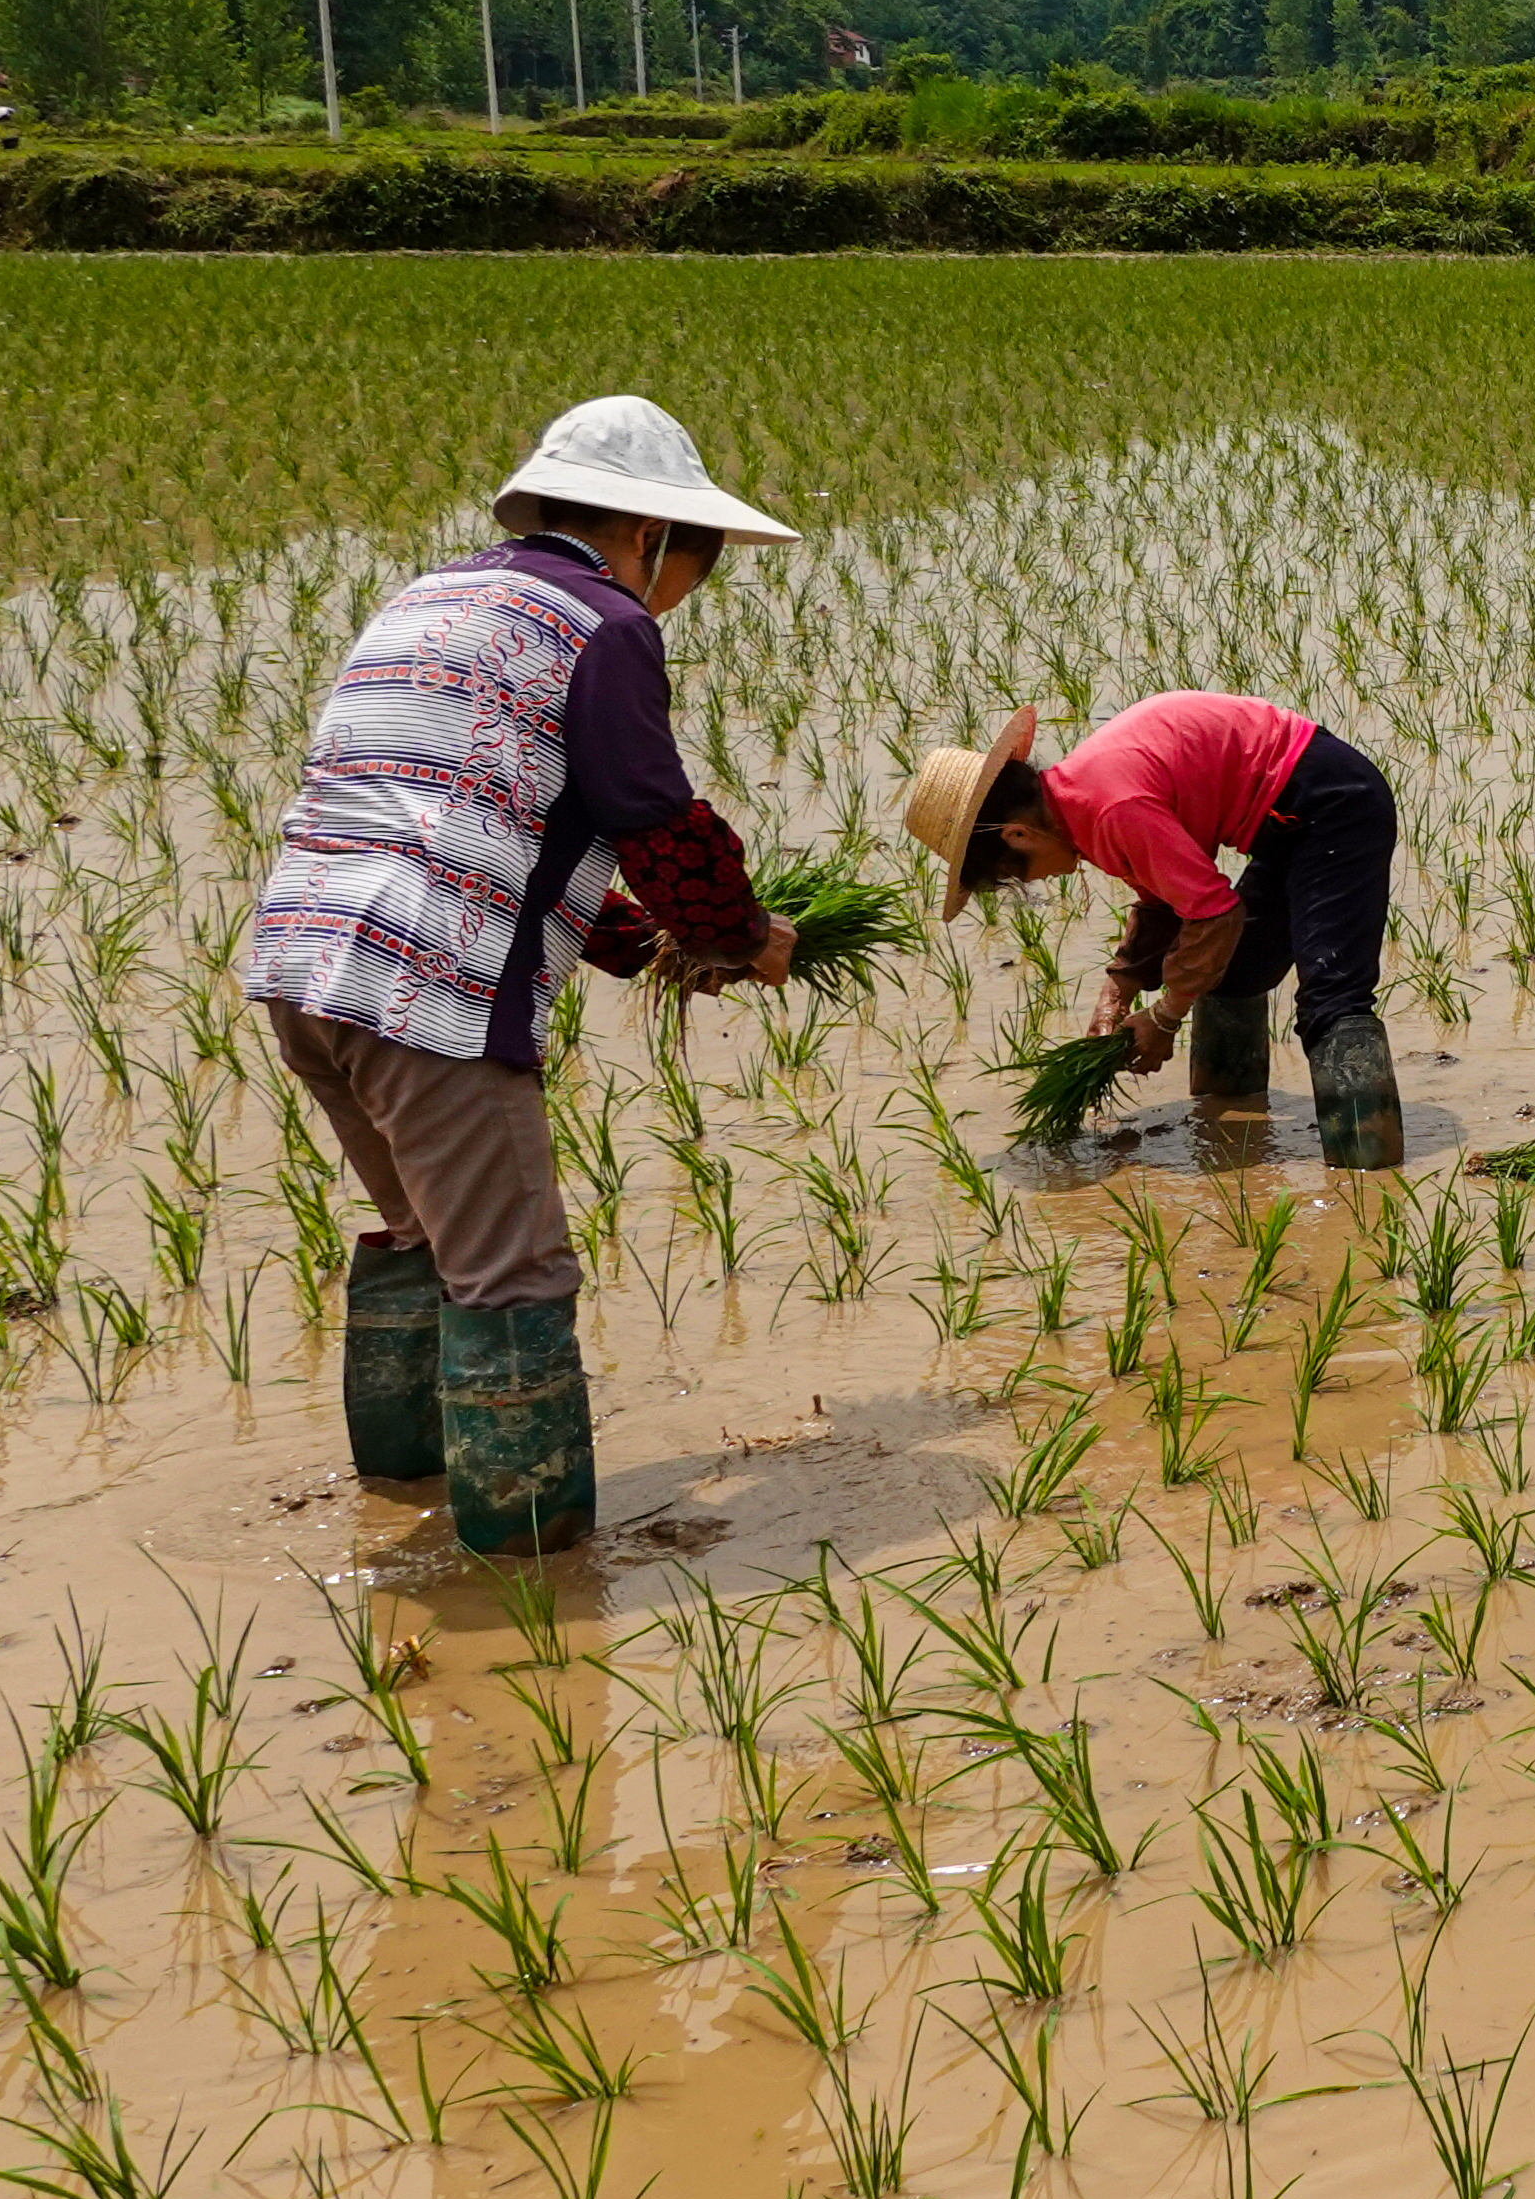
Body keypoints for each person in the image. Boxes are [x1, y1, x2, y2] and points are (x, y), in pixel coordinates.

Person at [239, 397, 800, 1556]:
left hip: (304, 964)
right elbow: (657, 821)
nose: (681, 592)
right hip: (425, 992)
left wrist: (653, 946)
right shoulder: (606, 622)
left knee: (423, 1236)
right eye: (694, 563)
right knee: (513, 1278)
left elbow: (481, 822)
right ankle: (527, 1569)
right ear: (648, 534)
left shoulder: (430, 598)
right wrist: (740, 936)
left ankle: (403, 1498)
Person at [906, 691, 1406, 1168]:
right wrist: (1118, 992)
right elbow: (1165, 902)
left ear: (1019, 835)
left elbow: (1214, 913)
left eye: (1016, 873)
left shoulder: (1111, 807)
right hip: (1284, 821)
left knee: (1332, 998)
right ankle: (1224, 1117)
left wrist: (1164, 1018)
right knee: (1233, 977)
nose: (1034, 881)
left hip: (1332, 802)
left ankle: (1366, 1167)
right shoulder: (1081, 802)